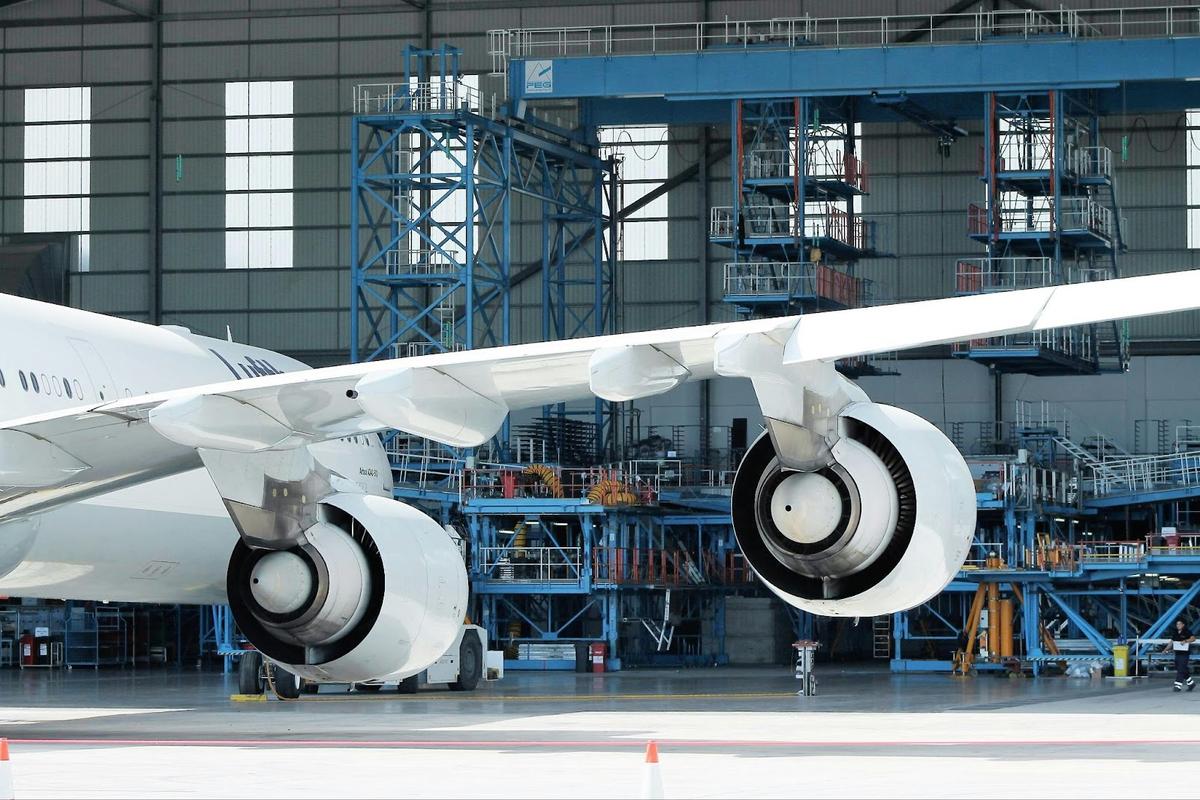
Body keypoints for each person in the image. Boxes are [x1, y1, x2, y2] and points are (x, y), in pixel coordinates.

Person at [1164, 619, 1196, 692]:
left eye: (1179, 624)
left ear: (1183, 624)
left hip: (1184, 654)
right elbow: (1171, 642)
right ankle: (1191, 683)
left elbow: (1193, 638)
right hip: (1177, 653)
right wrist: (1165, 649)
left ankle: (1177, 685)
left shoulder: (1187, 631)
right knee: (1180, 668)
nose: (1178, 625)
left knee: (1181, 669)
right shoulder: (1175, 632)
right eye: (1177, 624)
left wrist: (1185, 641)